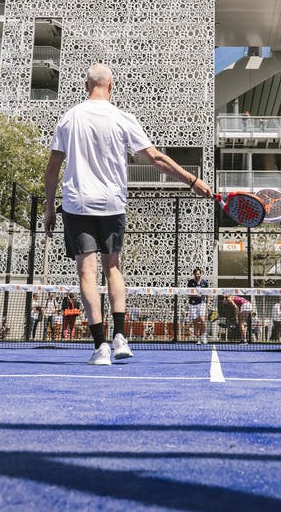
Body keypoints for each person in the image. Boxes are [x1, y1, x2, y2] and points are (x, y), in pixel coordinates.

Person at [43, 63, 213, 365]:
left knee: (87, 273)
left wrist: (47, 209)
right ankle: (120, 336)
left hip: (77, 205)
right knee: (113, 268)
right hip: (112, 205)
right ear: (112, 86)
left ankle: (100, 346)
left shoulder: (69, 118)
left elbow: (53, 168)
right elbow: (156, 158)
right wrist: (193, 181)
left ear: (86, 86)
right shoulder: (123, 118)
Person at [187, 267, 209, 344]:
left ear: (200, 274)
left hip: (202, 303)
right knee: (195, 322)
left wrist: (208, 302)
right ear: (194, 274)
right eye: (196, 274)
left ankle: (203, 336)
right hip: (192, 304)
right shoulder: (190, 282)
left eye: (199, 274)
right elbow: (188, 294)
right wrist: (196, 295)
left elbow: (207, 293)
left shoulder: (204, 282)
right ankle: (198, 338)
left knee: (203, 320)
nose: (197, 275)